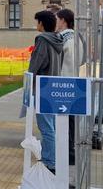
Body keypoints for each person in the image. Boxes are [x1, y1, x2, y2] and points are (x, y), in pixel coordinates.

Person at [28, 10, 64, 173]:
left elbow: (36, 64)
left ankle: (50, 163)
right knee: (51, 125)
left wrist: (29, 80)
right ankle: (51, 158)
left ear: (42, 23)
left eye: (37, 22)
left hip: (42, 87)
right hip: (53, 85)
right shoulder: (58, 39)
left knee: (46, 127)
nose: (37, 25)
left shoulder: (42, 40)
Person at [56, 8, 81, 167]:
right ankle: (69, 151)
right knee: (70, 120)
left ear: (63, 20)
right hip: (73, 83)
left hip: (63, 84)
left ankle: (68, 153)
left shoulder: (64, 40)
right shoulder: (77, 38)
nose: (56, 22)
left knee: (65, 121)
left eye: (57, 19)